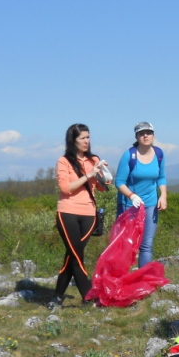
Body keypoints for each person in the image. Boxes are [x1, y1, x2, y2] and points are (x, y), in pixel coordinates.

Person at [51, 123, 110, 309]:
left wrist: (103, 175)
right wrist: (88, 175)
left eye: (88, 137)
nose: (87, 141)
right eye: (82, 138)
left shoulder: (93, 159)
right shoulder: (64, 161)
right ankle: (88, 297)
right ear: (73, 140)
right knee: (76, 256)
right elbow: (66, 188)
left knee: (72, 256)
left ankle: (57, 298)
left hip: (89, 215)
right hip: (67, 212)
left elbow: (101, 188)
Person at [115, 122, 167, 268]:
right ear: (137, 137)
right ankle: (120, 280)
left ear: (153, 135)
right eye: (141, 133)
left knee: (146, 244)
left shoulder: (159, 154)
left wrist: (163, 196)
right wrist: (131, 195)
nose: (145, 136)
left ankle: (143, 281)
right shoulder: (129, 155)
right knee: (126, 244)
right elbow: (119, 182)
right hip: (129, 204)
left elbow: (161, 177)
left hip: (150, 203)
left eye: (148, 132)